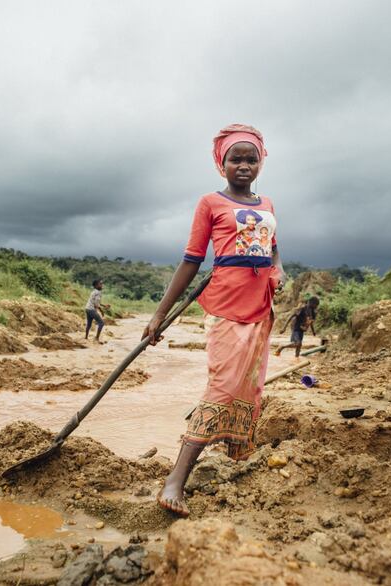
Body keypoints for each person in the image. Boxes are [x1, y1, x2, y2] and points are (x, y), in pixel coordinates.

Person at [142, 123, 286, 517]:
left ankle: (237, 456)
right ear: (221, 163)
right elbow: (191, 259)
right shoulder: (209, 203)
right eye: (235, 159)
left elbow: (273, 250)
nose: (243, 165)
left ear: (261, 162)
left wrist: (279, 271)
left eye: (251, 158)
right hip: (225, 306)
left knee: (248, 386)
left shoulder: (268, 204)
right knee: (223, 385)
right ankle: (176, 479)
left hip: (261, 306)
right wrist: (159, 314)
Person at [85, 279, 110, 343]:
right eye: (100, 284)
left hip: (87, 308)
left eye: (102, 284)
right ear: (96, 286)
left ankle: (86, 337)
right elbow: (96, 305)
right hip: (91, 309)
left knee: (89, 324)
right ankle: (96, 338)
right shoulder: (98, 293)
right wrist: (101, 311)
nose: (102, 285)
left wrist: (104, 305)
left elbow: (96, 302)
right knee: (101, 323)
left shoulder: (94, 291)